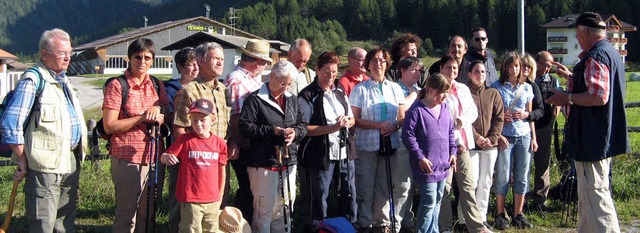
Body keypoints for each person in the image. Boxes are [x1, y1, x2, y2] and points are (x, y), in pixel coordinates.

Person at [546, 12, 629, 233]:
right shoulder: (610, 52)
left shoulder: (595, 57)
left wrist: (567, 97)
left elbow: (598, 96)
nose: (577, 38)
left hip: (591, 137)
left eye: (577, 34)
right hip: (600, 136)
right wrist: (572, 78)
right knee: (588, 196)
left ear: (585, 32)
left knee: (596, 196)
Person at [0, 28, 88, 233]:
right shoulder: (33, 80)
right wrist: (22, 159)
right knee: (43, 223)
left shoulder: (62, 79)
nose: (68, 57)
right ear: (44, 54)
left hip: (69, 160)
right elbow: (10, 124)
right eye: (61, 53)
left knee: (64, 222)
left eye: (69, 52)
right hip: (44, 165)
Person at [102, 38, 170, 232]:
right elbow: (110, 125)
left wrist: (158, 111)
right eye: (137, 57)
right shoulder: (117, 86)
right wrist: (142, 117)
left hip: (154, 157)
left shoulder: (157, 84)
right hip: (127, 158)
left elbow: (166, 113)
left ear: (153, 60)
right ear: (129, 59)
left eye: (147, 57)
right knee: (127, 214)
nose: (142, 61)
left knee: (147, 214)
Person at [239, 60, 308, 233]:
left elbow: (302, 124)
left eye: (290, 84)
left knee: (285, 207)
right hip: (263, 162)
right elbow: (245, 127)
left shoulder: (292, 99)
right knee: (264, 209)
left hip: (288, 160)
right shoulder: (255, 99)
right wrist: (272, 131)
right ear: (272, 76)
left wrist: (296, 133)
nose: (286, 87)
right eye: (283, 82)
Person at [349, 47, 408, 233]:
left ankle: (381, 224)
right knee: (365, 187)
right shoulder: (360, 90)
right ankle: (364, 224)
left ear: (387, 64)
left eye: (382, 60)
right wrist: (378, 125)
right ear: (368, 65)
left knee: (384, 186)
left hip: (390, 144)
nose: (378, 64)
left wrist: (394, 126)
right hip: (366, 146)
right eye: (374, 60)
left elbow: (402, 117)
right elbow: (354, 120)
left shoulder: (395, 88)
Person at [297, 51, 356, 230]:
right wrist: (333, 127)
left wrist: (347, 121)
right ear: (317, 70)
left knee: (349, 193)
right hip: (320, 155)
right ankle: (319, 228)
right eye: (326, 72)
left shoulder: (339, 90)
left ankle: (348, 227)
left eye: (334, 72)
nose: (330, 76)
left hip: (344, 152)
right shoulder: (307, 95)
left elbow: (352, 119)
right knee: (320, 196)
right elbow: (304, 128)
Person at [436, 55, 488, 233]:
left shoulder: (463, 89)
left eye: (455, 68)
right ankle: (444, 226)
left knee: (467, 186)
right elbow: (441, 119)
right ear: (441, 69)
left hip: (463, 145)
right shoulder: (436, 91)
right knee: (445, 188)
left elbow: (472, 111)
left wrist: (460, 120)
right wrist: (455, 129)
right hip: (443, 147)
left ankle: (477, 227)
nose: (452, 71)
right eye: (448, 68)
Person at [161, 98, 227, 233]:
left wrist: (219, 196)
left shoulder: (220, 143)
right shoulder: (185, 140)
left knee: (211, 229)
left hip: (212, 199)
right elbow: (164, 156)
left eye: (203, 120)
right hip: (190, 199)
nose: (198, 124)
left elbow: (222, 171)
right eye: (194, 120)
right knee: (190, 229)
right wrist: (167, 157)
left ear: (213, 120)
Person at [225, 39, 272, 223]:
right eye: (265, 62)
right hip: (246, 144)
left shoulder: (247, 79)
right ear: (257, 61)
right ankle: (242, 222)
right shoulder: (237, 80)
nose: (265, 66)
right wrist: (241, 142)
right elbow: (235, 116)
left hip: (251, 141)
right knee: (248, 188)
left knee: (251, 187)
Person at [402, 73, 456, 233]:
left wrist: (453, 152)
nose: (445, 96)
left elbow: (451, 131)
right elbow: (408, 136)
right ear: (430, 90)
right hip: (426, 166)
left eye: (446, 92)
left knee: (438, 200)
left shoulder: (445, 108)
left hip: (443, 166)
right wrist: (420, 157)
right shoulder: (416, 110)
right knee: (429, 201)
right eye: (441, 92)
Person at [491, 51, 537, 230]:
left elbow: (529, 114)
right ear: (504, 67)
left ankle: (518, 213)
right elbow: (492, 115)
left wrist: (533, 137)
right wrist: (500, 126)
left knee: (522, 175)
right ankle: (500, 213)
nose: (513, 69)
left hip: (523, 135)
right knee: (502, 175)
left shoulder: (527, 88)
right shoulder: (496, 86)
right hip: (505, 136)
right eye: (510, 66)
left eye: (516, 66)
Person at [164, 46, 199, 233]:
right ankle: (174, 226)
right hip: (178, 150)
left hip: (201, 150)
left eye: (197, 64)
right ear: (180, 67)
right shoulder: (171, 90)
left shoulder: (202, 88)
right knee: (178, 191)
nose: (194, 69)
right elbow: (171, 120)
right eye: (190, 65)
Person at [467, 60, 504, 228]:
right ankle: (465, 219)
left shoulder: (493, 93)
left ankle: (481, 218)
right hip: (471, 145)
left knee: (485, 182)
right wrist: (476, 138)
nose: (480, 75)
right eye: (476, 71)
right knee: (471, 183)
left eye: (482, 72)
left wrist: (492, 138)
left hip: (490, 146)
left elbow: (499, 118)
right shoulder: (464, 92)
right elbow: (463, 120)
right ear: (469, 74)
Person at [173, 42, 229, 140]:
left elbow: (229, 125)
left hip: (222, 152)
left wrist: (232, 141)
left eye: (222, 59)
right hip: (199, 153)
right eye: (215, 59)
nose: (220, 63)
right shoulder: (189, 91)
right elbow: (179, 128)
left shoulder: (223, 90)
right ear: (201, 62)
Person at [527, 51, 561, 210]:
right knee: (524, 163)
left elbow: (561, 99)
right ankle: (523, 198)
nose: (547, 69)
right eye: (544, 65)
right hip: (526, 125)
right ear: (536, 62)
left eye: (549, 66)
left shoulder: (554, 81)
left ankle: (540, 199)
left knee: (543, 163)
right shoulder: (527, 80)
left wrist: (558, 109)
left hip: (545, 126)